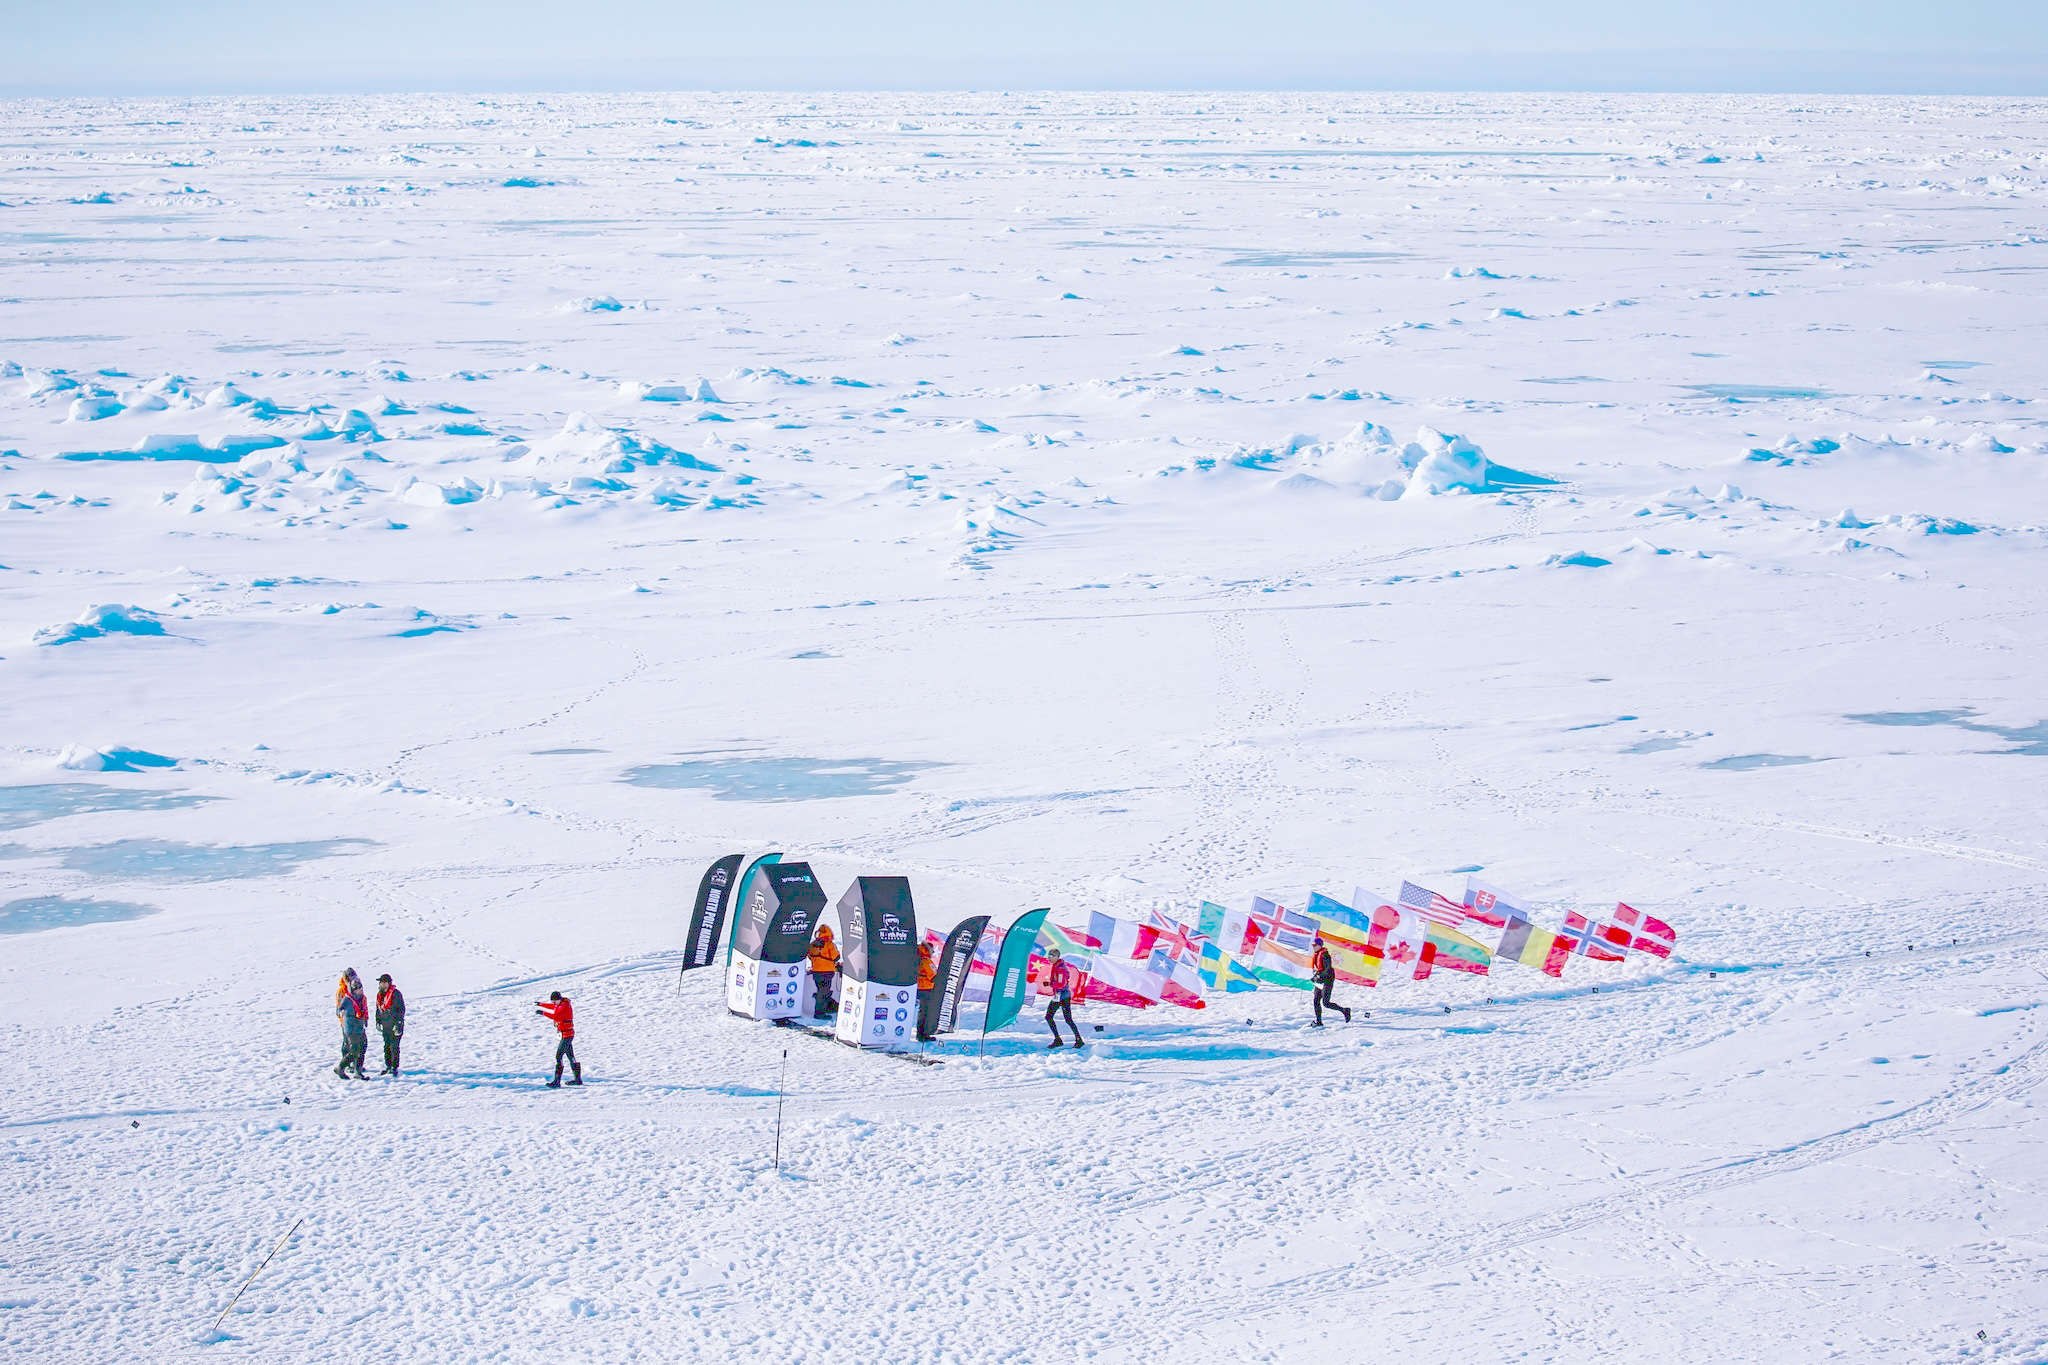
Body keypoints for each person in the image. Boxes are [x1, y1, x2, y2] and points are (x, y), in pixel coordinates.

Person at [535, 990, 581, 1087]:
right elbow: (553, 1007)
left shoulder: (564, 1007)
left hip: (567, 1036)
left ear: (559, 999)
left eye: (554, 1001)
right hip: (566, 1034)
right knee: (570, 1056)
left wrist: (542, 1013)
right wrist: (541, 1004)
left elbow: (555, 1015)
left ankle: (557, 1082)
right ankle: (578, 1080)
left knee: (558, 1056)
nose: (553, 1003)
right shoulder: (560, 1004)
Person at [1043, 948, 1084, 1050]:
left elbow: (1061, 984)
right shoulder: (1056, 966)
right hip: (1059, 996)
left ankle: (1077, 1040)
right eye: (1049, 955)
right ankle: (1060, 1040)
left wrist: (1050, 983)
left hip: (1063, 996)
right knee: (1051, 1017)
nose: (1049, 958)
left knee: (1064, 1019)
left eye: (1052, 956)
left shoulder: (1060, 968)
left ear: (1057, 957)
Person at [333, 968, 369, 1079]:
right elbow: (339, 1010)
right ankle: (342, 1066)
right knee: (352, 1048)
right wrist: (344, 1019)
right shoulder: (345, 995)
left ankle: (358, 1070)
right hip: (349, 1027)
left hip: (359, 1026)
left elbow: (364, 1008)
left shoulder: (361, 997)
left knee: (362, 1047)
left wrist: (365, 1019)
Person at [1311, 937, 1351, 1027]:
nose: (1313, 947)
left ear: (1320, 945)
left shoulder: (1325, 955)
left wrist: (1319, 976)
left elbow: (1328, 969)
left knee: (1326, 1003)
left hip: (1327, 980)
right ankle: (1319, 1022)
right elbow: (1318, 969)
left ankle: (1345, 1010)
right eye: (1312, 945)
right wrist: (1314, 977)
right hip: (1320, 981)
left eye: (1315, 945)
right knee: (1316, 1001)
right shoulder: (1316, 954)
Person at [374, 973, 406, 1075]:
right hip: (385, 1024)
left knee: (394, 1046)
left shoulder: (396, 994)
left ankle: (394, 1067)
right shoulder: (379, 995)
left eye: (384, 982)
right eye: (381, 983)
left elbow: (401, 1009)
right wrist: (378, 1021)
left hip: (395, 1024)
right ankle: (388, 1066)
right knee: (386, 1045)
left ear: (389, 983)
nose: (382, 985)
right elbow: (378, 1009)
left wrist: (399, 1023)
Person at [806, 926, 840, 1019]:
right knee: (824, 992)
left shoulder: (812, 944)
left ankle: (828, 1007)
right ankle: (819, 1014)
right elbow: (836, 957)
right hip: (827, 972)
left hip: (816, 972)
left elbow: (809, 955)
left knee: (822, 991)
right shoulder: (829, 944)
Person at [914, 941, 939, 1042]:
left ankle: (921, 1034)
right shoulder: (926, 961)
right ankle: (923, 1035)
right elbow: (933, 976)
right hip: (926, 988)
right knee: (925, 1013)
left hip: (919, 987)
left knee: (922, 1012)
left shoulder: (918, 958)